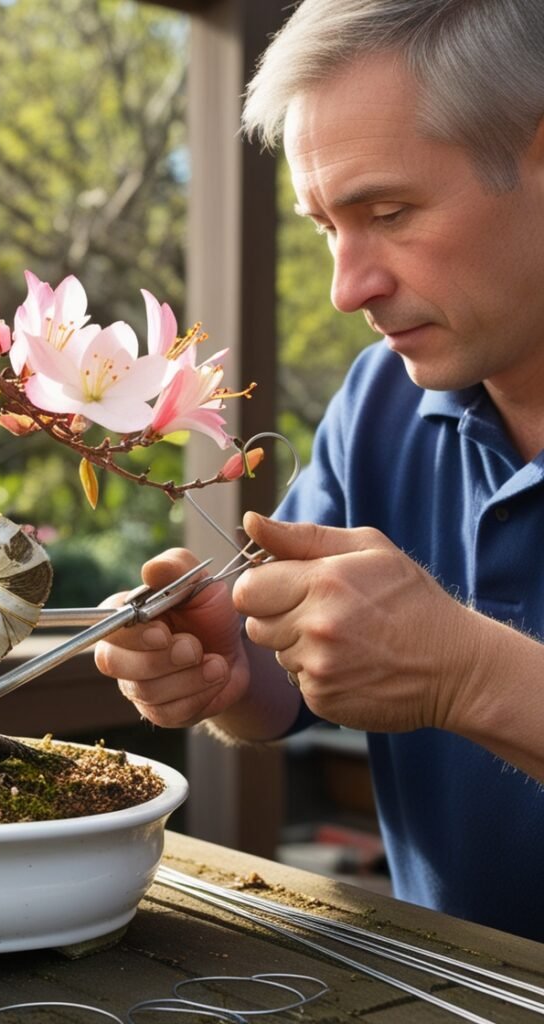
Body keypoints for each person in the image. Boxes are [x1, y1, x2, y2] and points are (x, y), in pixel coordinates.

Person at [94, 0, 544, 943]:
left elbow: (441, 665)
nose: (349, 289)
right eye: (324, 227)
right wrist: (232, 665)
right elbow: (290, 689)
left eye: (390, 213)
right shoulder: (383, 397)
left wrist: (469, 675)